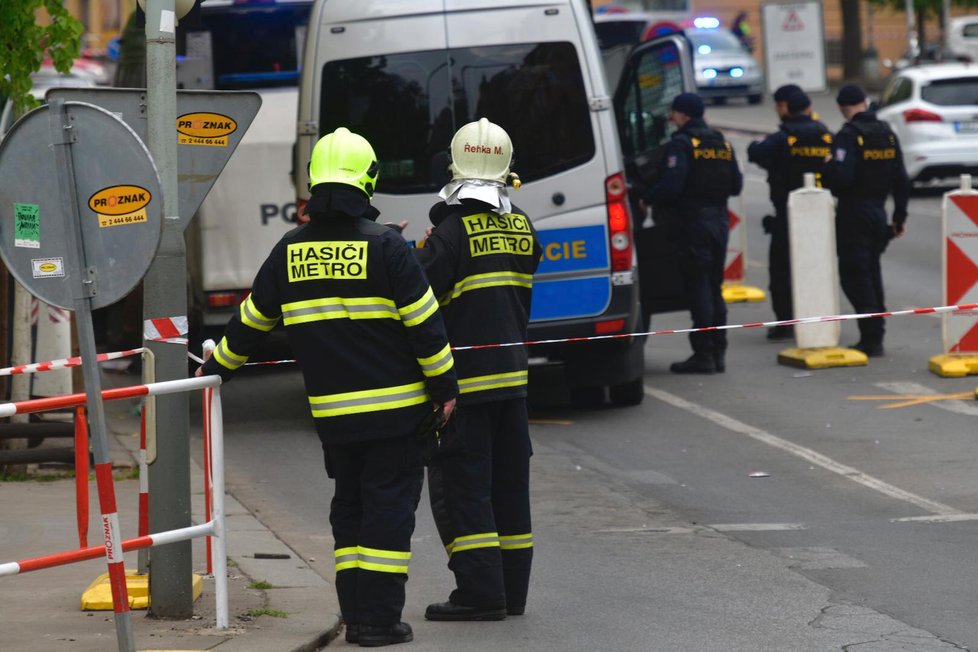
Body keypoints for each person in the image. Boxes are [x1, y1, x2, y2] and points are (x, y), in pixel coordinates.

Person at [198, 127, 458, 648]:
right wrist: (445, 389)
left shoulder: (289, 251)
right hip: (397, 415)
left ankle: (356, 613)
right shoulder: (387, 247)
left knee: (350, 512)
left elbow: (249, 327)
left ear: (314, 184)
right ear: (369, 180)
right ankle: (378, 623)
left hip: (335, 421)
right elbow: (426, 328)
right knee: (387, 516)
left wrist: (213, 371)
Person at [414, 118, 541, 621]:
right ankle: (511, 593)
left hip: (461, 389)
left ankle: (479, 594)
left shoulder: (448, 236)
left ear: (454, 165)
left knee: (463, 491)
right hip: (512, 383)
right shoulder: (522, 225)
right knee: (510, 490)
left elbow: (420, 295)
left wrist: (427, 243)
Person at [640, 93, 743, 374]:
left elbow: (672, 185)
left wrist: (647, 197)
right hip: (719, 223)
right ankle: (718, 350)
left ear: (684, 115)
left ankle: (704, 354)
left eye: (674, 113)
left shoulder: (682, 144)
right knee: (714, 287)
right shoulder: (721, 142)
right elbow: (736, 185)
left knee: (698, 289)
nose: (671, 118)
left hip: (693, 224)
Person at [822, 84, 910, 357]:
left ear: (841, 108)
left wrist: (828, 168)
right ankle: (875, 333)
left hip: (853, 214)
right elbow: (901, 179)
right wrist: (899, 217)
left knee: (854, 275)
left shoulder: (848, 136)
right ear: (865, 102)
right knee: (871, 271)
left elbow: (841, 180)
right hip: (878, 212)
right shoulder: (887, 134)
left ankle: (871, 337)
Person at [747, 90, 833, 341]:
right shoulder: (827, 136)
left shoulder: (782, 138)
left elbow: (756, 152)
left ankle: (785, 322)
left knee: (782, 272)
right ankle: (817, 315)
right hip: (820, 212)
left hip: (788, 212)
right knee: (817, 267)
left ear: (787, 108)